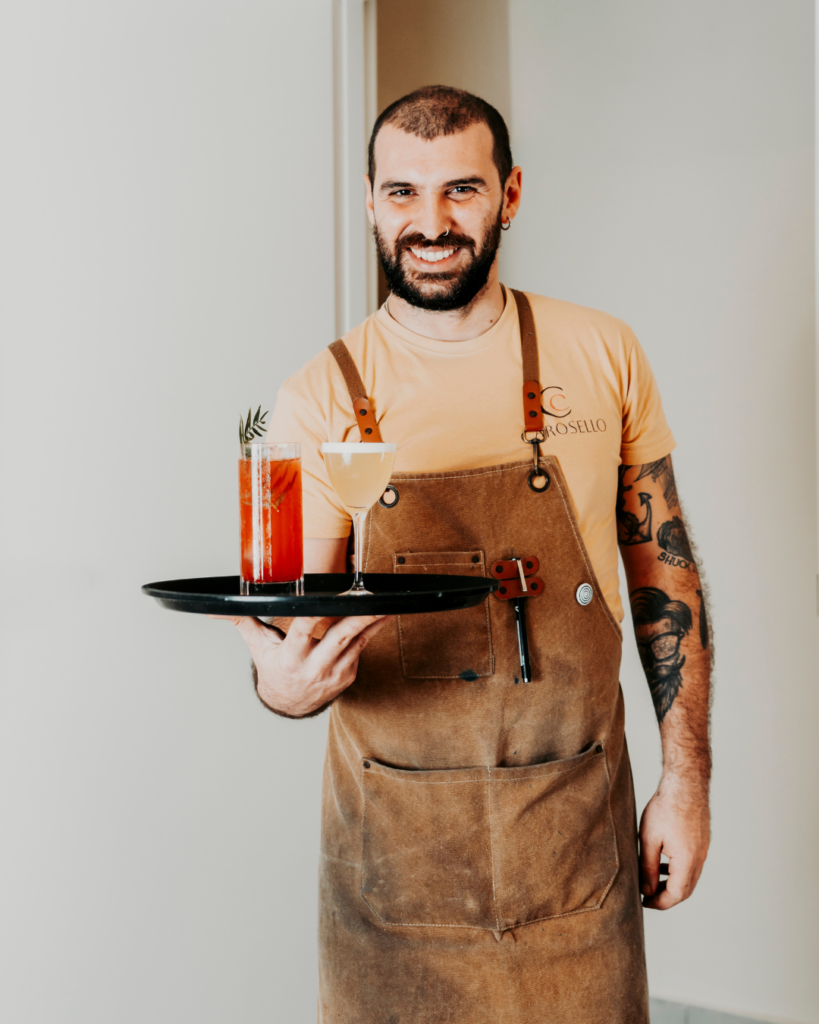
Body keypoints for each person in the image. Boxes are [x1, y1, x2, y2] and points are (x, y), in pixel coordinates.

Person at [218, 86, 712, 1023]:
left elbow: (663, 572)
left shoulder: (602, 351)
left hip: (574, 839)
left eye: (461, 191)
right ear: (369, 201)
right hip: (394, 864)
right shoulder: (320, 396)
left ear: (510, 194)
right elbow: (300, 626)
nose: (430, 223)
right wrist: (277, 686)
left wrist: (683, 786)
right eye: (402, 193)